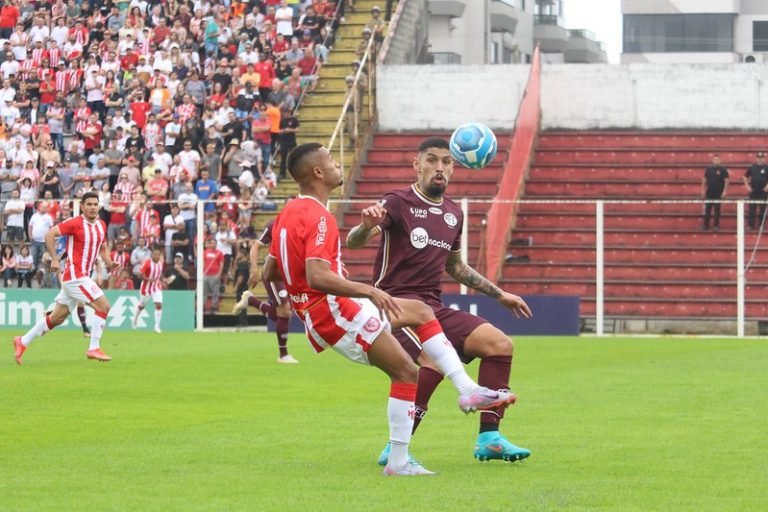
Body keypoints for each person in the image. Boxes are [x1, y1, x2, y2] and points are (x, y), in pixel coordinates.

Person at [263, 142, 517, 476]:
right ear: (318, 173)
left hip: (333, 309)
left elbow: (269, 272)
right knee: (411, 367)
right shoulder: (321, 216)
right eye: (332, 161)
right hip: (337, 310)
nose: (339, 164)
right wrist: (366, 289)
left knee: (416, 345)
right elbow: (318, 275)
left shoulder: (288, 213)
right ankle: (411, 445)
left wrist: (282, 302)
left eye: (447, 162)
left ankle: (460, 403)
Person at [346, 137, 533, 464]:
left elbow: (455, 266)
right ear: (416, 165)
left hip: (433, 308)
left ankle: (490, 437)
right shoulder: (397, 202)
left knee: (499, 344)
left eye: (446, 162)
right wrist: (365, 226)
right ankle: (396, 445)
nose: (440, 168)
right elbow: (355, 242)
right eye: (431, 160)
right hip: (394, 307)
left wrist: (499, 293)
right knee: (430, 362)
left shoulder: (452, 213)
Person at [13, 191, 117, 364]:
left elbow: (103, 247)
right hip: (76, 276)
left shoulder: (101, 225)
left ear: (99, 206)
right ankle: (93, 348)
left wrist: (110, 263)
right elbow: (49, 235)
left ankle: (22, 341)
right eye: (89, 204)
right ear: (82, 206)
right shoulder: (74, 223)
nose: (92, 207)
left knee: (57, 318)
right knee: (104, 306)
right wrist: (54, 258)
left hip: (78, 278)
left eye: (95, 204)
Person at [232, 217, 297, 364]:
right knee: (285, 311)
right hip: (273, 271)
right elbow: (256, 245)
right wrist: (254, 268)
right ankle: (283, 355)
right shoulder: (275, 224)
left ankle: (251, 300)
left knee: (282, 314)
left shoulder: (300, 224)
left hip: (287, 272)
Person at [131, 245, 167, 334]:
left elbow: (159, 273)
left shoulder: (160, 263)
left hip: (156, 286)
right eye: (155, 254)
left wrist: (163, 280)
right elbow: (139, 275)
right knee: (142, 305)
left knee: (159, 304)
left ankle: (156, 327)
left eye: (158, 255)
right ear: (152, 255)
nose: (157, 256)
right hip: (146, 287)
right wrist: (149, 279)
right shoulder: (147, 263)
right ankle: (135, 318)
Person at [702, 154, 729, 231]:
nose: (716, 161)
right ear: (712, 161)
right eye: (715, 160)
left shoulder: (723, 170)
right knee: (707, 209)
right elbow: (704, 179)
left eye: (717, 160)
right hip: (709, 192)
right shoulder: (708, 169)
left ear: (720, 161)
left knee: (717, 210)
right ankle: (705, 225)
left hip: (718, 193)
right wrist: (702, 189)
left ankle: (716, 226)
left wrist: (724, 191)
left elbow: (727, 180)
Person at [743, 151, 768, 230]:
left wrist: (767, 186)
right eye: (759, 158)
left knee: (762, 209)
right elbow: (745, 176)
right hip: (753, 191)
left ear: (764, 159)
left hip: (763, 192)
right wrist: (747, 186)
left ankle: (761, 225)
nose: (760, 159)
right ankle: (750, 225)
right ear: (756, 158)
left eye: (761, 158)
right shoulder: (752, 167)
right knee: (752, 209)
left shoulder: (767, 167)